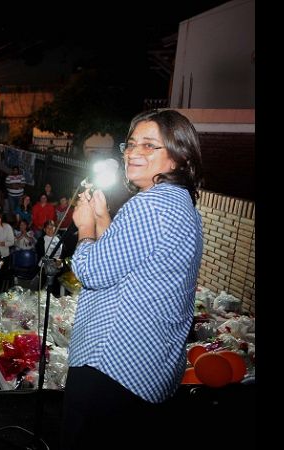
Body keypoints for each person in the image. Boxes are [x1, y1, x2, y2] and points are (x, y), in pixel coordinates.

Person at [61, 109, 204, 446]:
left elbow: (93, 271)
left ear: (177, 158)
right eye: (132, 143)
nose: (134, 152)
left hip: (111, 364)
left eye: (150, 145)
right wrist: (103, 218)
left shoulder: (150, 205)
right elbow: (129, 263)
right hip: (145, 367)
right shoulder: (180, 205)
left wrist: (84, 230)